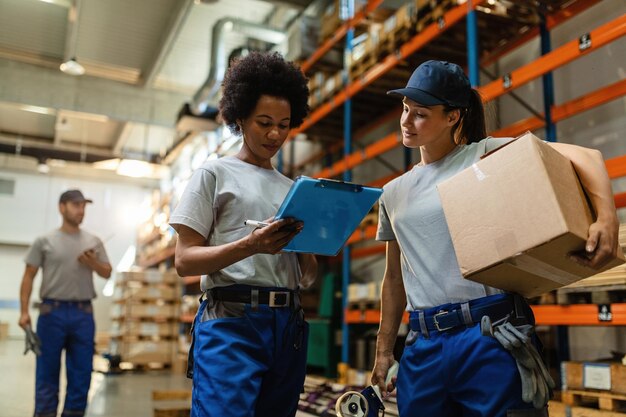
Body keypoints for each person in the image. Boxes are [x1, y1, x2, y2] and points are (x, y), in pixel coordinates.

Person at [370, 60, 619, 417]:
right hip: (423, 344)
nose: (407, 121)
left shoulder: (483, 156)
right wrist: (384, 349)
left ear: (453, 116)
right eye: (406, 110)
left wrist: (607, 219)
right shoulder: (393, 193)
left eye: (421, 113)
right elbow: (394, 278)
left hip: (489, 334)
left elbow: (586, 156)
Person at [170, 51, 318, 417]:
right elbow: (184, 260)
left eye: (284, 125)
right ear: (240, 118)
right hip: (232, 321)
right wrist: (250, 246)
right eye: (264, 122)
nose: (274, 134)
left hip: (287, 327)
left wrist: (311, 246)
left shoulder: (293, 188)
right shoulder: (214, 174)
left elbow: (307, 276)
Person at [18, 189, 112, 417]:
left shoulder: (93, 241)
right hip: (52, 314)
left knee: (81, 374)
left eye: (83, 206)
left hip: (83, 315)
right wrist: (23, 312)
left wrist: (92, 262)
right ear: (62, 207)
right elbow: (29, 275)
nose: (81, 210)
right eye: (75, 205)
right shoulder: (44, 241)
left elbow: (107, 272)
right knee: (47, 374)